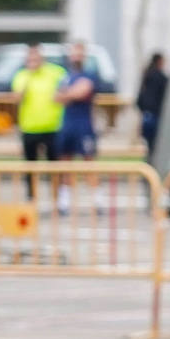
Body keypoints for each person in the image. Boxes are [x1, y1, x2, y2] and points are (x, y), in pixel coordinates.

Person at [10, 43, 67, 198]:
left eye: (36, 57)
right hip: (29, 128)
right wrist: (28, 77)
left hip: (53, 127)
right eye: (30, 57)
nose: (34, 60)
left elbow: (65, 92)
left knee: (54, 168)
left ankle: (57, 199)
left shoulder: (56, 72)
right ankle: (31, 199)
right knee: (30, 168)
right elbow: (17, 98)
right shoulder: (22, 75)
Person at [54, 40, 101, 214]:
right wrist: (70, 93)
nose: (76, 56)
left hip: (84, 125)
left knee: (89, 162)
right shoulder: (65, 76)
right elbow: (57, 98)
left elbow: (81, 92)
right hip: (68, 125)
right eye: (74, 53)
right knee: (65, 162)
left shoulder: (90, 74)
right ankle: (64, 201)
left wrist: (68, 93)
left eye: (79, 53)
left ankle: (96, 199)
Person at [136, 51, 169, 163]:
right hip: (156, 116)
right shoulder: (161, 78)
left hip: (147, 116)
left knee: (149, 147)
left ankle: (149, 168)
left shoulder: (146, 75)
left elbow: (139, 99)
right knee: (156, 146)